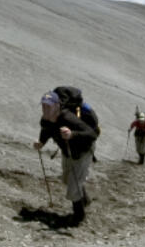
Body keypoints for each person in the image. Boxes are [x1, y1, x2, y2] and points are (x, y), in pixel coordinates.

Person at [34, 90, 97, 222]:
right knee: (67, 180)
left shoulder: (68, 118)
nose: (45, 109)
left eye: (48, 106)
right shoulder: (46, 120)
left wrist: (72, 134)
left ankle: (79, 217)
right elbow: (46, 130)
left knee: (73, 189)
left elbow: (91, 134)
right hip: (67, 152)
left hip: (82, 152)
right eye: (43, 106)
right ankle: (84, 200)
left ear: (57, 106)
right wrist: (41, 142)